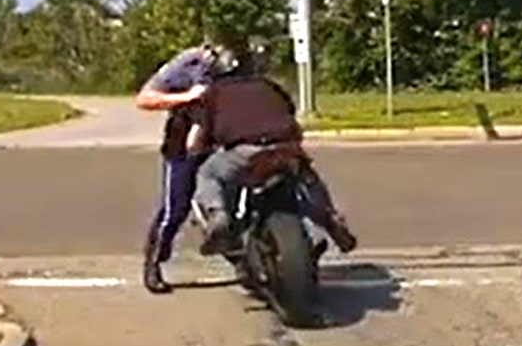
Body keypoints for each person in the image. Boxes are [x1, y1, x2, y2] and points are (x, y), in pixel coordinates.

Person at [190, 63, 357, 257]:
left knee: (208, 172)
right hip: (285, 147)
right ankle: (331, 221)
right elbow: (290, 108)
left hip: (245, 151)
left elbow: (198, 137)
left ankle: (218, 216)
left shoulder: (213, 94)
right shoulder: (268, 85)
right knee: (306, 176)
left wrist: (196, 148)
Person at [134, 43, 237, 294]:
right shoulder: (186, 65)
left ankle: (244, 253)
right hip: (184, 143)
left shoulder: (242, 65)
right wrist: (187, 97)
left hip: (224, 137)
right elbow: (145, 99)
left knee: (236, 196)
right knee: (175, 208)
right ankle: (154, 262)